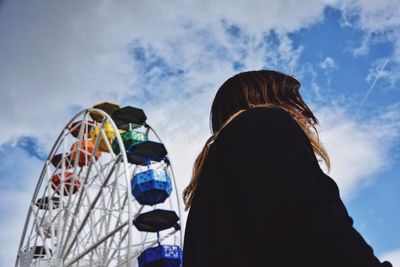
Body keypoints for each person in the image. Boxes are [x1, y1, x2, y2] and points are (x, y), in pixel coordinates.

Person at [182, 70, 393, 267]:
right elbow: (311, 217)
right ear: (266, 99)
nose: (303, 114)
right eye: (292, 101)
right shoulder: (263, 122)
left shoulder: (208, 181)